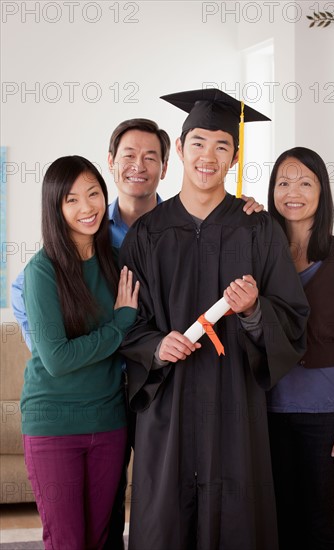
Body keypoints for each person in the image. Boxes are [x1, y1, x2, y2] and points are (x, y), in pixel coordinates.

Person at [11, 117, 262, 548]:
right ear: (112, 162)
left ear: (168, 164)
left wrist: (240, 210)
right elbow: (34, 315)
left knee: (138, 506)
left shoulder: (190, 229)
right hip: (93, 396)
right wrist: (72, 358)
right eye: (128, 155)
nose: (139, 165)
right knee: (81, 529)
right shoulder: (85, 240)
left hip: (152, 395)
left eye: (151, 157)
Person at [118, 88, 310, 550]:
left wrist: (253, 311)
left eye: (222, 146)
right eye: (198, 143)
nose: (209, 156)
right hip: (170, 402)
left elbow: (293, 317)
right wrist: (156, 347)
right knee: (165, 520)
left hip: (234, 404)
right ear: (180, 150)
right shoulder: (147, 233)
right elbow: (126, 320)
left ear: (235, 157)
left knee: (237, 519)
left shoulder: (257, 229)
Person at [20, 155, 140, 549]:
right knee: (68, 541)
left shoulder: (117, 263)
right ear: (55, 208)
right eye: (71, 199)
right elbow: (56, 358)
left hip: (108, 421)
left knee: (100, 537)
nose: (86, 207)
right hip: (54, 424)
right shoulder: (43, 270)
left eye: (93, 194)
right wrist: (118, 325)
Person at [265, 147, 334, 550]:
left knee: (318, 521)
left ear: (322, 192)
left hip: (325, 413)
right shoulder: (261, 253)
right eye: (283, 182)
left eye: (306, 182)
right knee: (276, 517)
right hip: (267, 409)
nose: (294, 192)